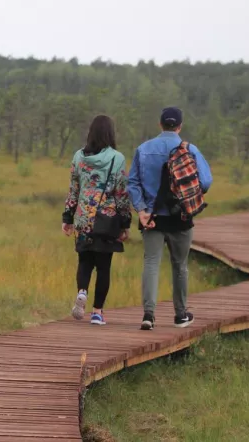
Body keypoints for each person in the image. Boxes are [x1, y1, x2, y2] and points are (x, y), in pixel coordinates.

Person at [128, 107, 212, 331]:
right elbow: (205, 182)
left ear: (160, 124)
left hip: (152, 218)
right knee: (180, 266)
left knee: (151, 264)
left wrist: (142, 209)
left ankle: (148, 315)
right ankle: (181, 315)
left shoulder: (143, 149)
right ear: (180, 126)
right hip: (181, 216)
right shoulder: (190, 149)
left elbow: (133, 183)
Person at [62, 115, 132, 326]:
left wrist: (68, 217)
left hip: (83, 218)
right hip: (107, 220)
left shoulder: (78, 157)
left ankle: (82, 291)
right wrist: (125, 223)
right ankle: (97, 313)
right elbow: (121, 194)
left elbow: (74, 190)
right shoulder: (117, 158)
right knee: (103, 267)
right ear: (110, 133)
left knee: (84, 261)